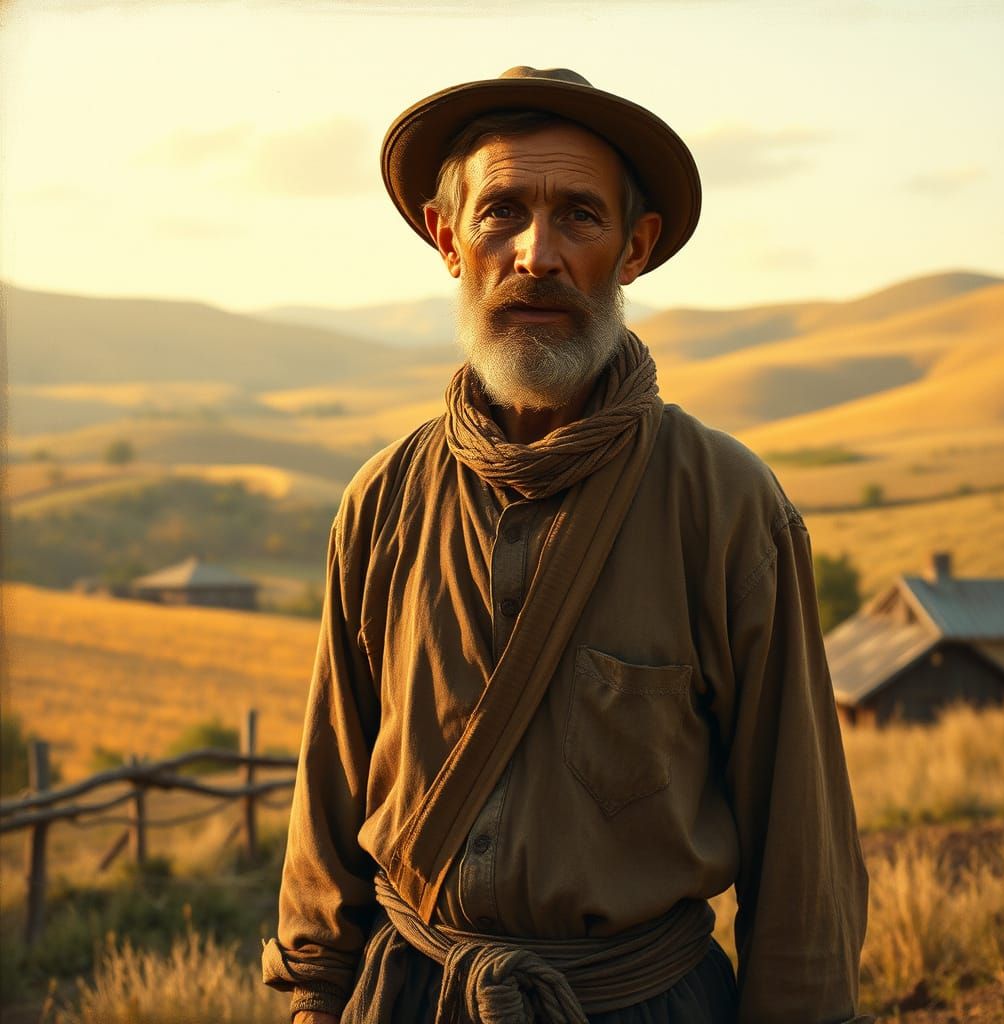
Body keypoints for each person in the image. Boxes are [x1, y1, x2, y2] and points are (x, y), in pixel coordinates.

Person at [262, 66, 871, 1024]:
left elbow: (804, 846)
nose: (536, 254)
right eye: (500, 212)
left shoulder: (725, 505)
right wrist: (311, 1002)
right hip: (411, 997)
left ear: (634, 249)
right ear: (446, 238)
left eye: (580, 218)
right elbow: (328, 805)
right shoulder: (382, 502)